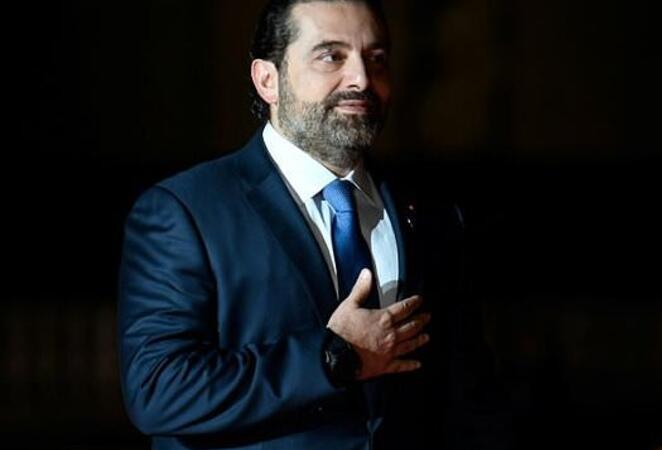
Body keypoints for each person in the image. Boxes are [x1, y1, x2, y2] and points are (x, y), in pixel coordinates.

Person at [118, 1, 496, 449]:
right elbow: (158, 390)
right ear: (268, 80)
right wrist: (337, 357)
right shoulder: (185, 212)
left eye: (376, 59)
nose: (361, 79)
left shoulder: (431, 213)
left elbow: (466, 393)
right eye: (331, 56)